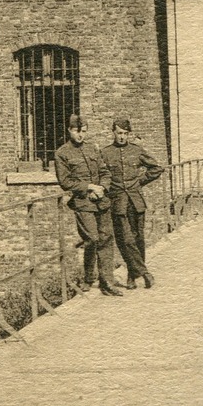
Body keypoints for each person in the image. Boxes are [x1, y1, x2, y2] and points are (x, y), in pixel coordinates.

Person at [55, 113, 122, 296]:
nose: (80, 135)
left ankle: (106, 281)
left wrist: (102, 188)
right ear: (69, 130)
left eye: (83, 131)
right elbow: (65, 181)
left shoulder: (93, 149)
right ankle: (88, 276)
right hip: (83, 202)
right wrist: (88, 187)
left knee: (106, 239)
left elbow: (105, 172)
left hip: (101, 201)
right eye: (77, 131)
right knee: (92, 238)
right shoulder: (62, 153)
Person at [102, 116, 163, 289]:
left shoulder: (137, 150)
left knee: (138, 239)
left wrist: (140, 181)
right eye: (119, 133)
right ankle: (144, 273)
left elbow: (156, 168)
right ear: (113, 132)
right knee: (125, 240)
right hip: (118, 202)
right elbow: (101, 174)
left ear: (129, 134)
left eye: (125, 134)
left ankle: (131, 276)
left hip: (136, 202)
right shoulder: (105, 153)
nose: (122, 137)